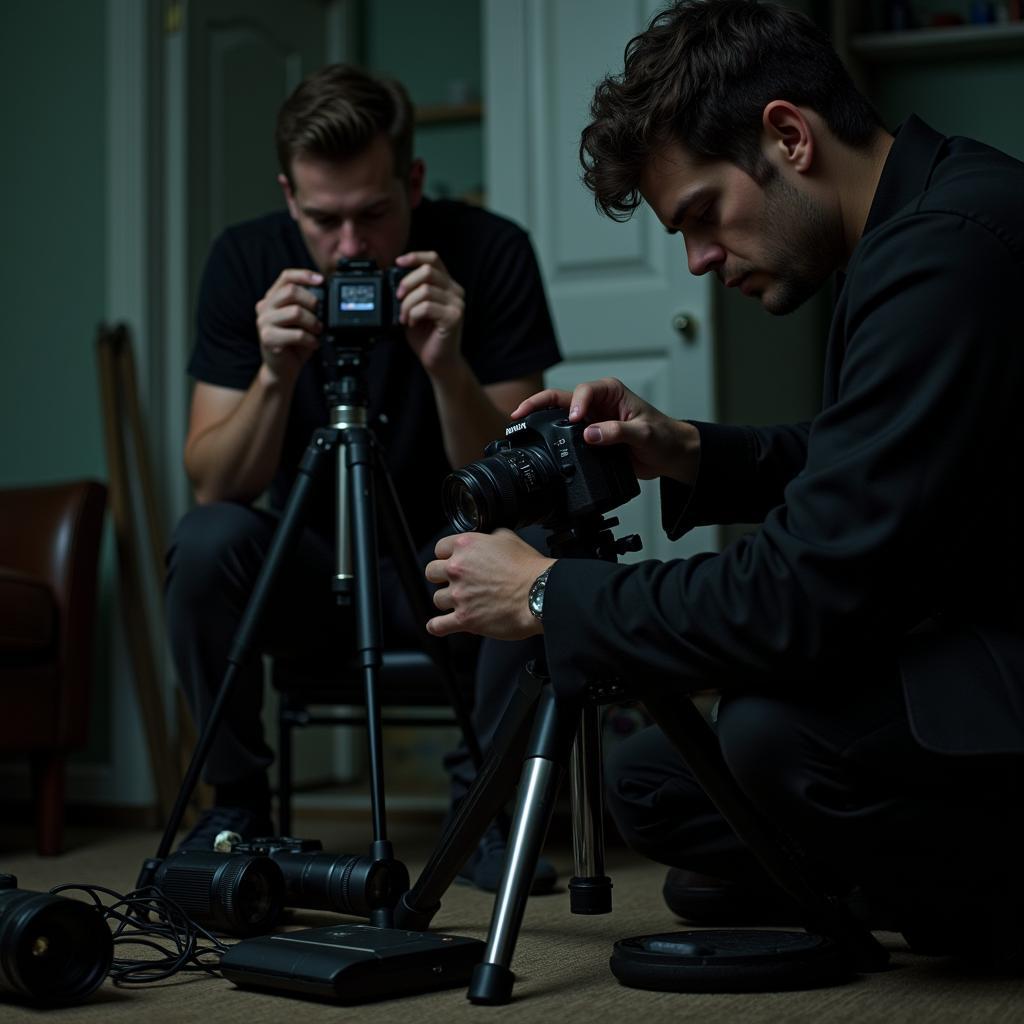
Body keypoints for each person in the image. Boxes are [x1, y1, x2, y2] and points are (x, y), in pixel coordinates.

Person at [423, 0, 1024, 962]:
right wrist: (685, 448)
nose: (701, 261)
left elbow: (802, 597)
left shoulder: (946, 255)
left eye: (703, 214)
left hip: (1000, 648)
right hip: (976, 624)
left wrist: (546, 593)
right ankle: (869, 872)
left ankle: (966, 903)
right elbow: (870, 459)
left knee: (770, 734)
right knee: (656, 781)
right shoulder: (918, 219)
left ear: (788, 136)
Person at [165, 64, 561, 892]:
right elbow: (213, 482)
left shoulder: (491, 251)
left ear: (413, 181)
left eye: (374, 214)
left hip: (445, 568)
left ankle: (484, 803)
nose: (351, 248)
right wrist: (274, 374)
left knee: (534, 538)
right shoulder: (245, 262)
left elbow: (524, 480)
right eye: (323, 220)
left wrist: (447, 367)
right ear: (288, 199)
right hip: (309, 570)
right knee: (207, 541)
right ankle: (236, 805)